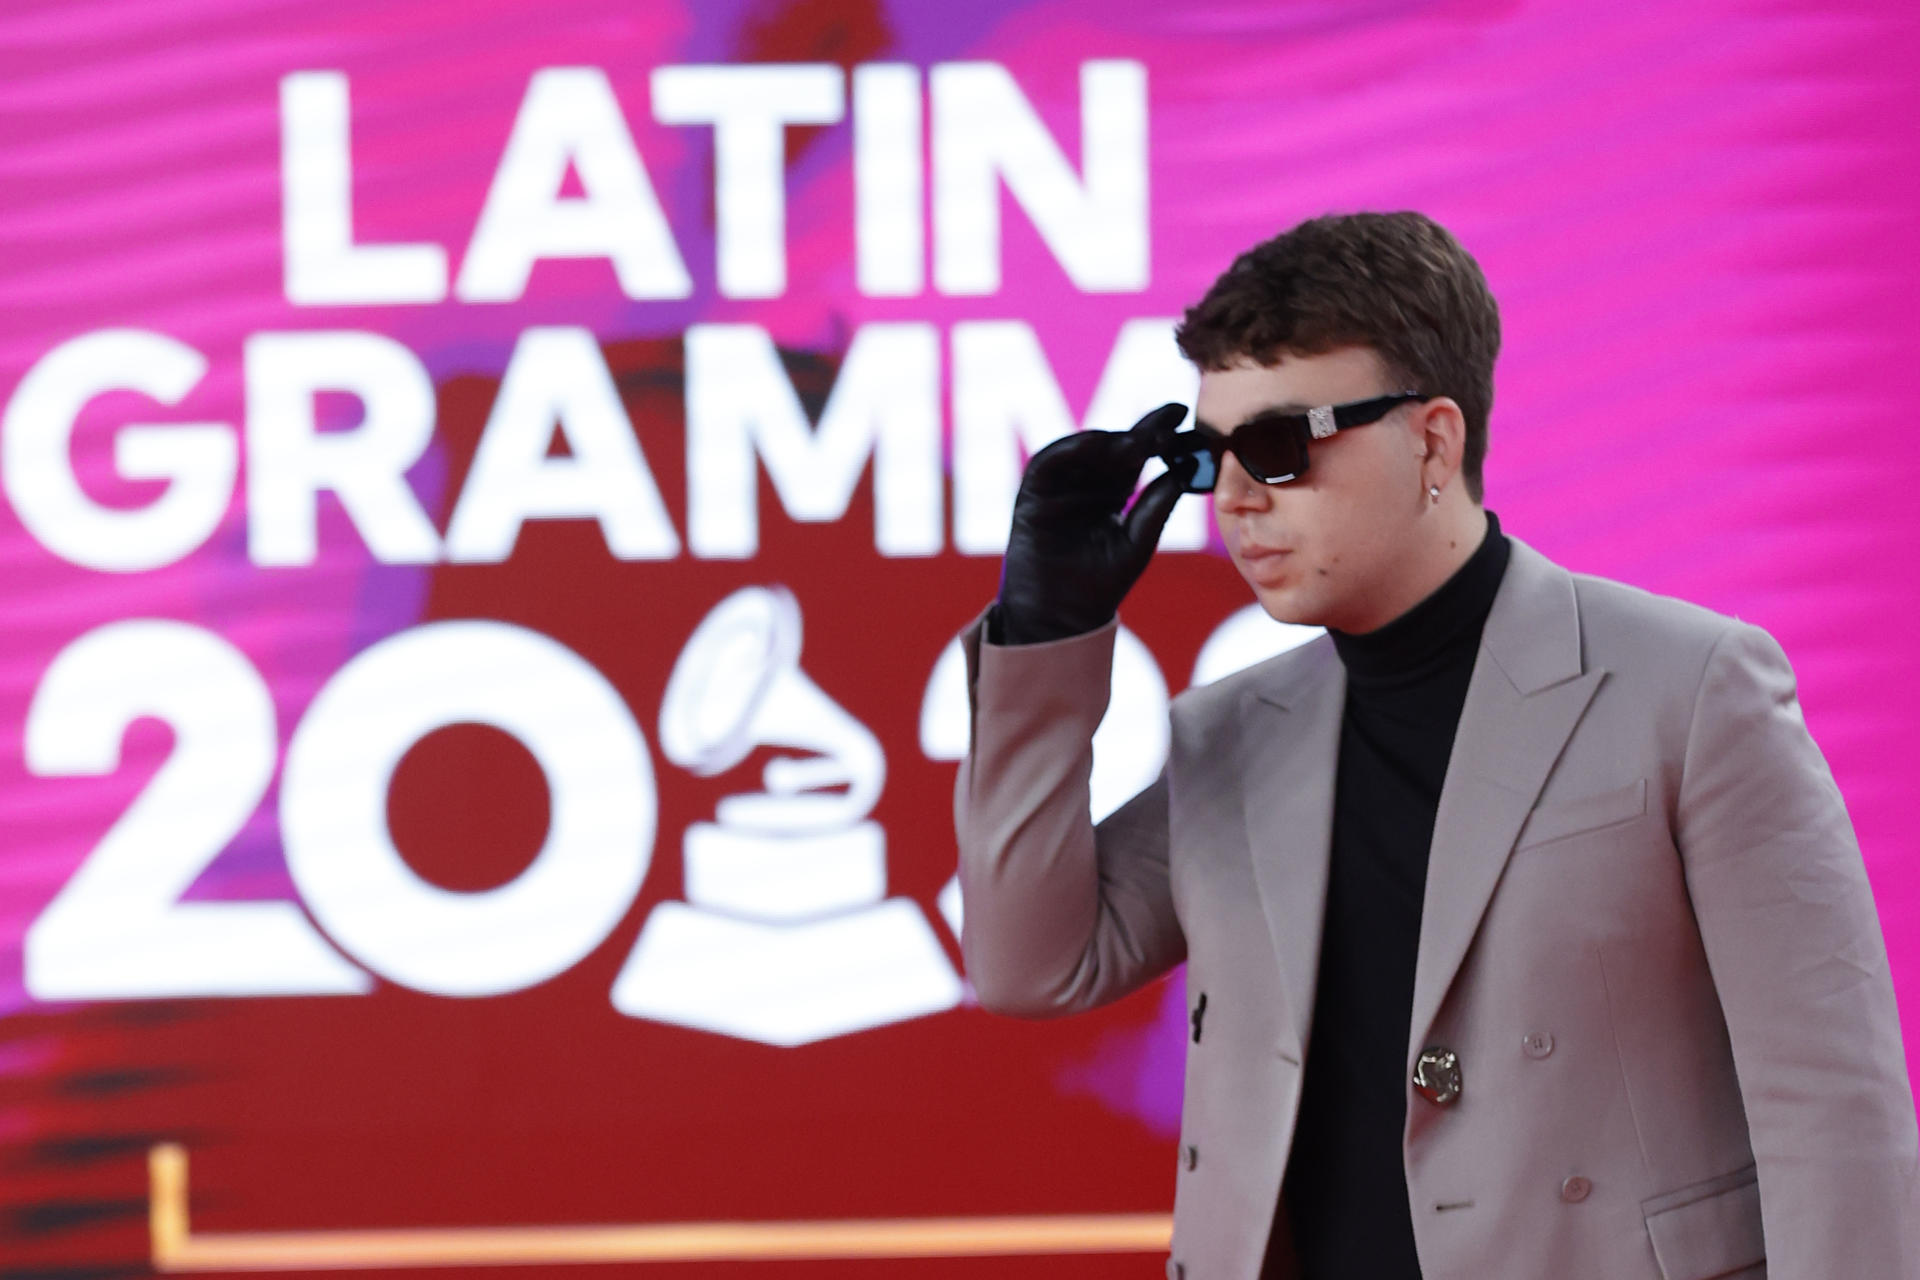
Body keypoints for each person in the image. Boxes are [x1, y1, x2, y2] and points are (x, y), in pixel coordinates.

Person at [951, 210, 1918, 1280]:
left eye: (1279, 447)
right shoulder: (1229, 733)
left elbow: (1832, 1105)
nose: (1232, 497)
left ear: (1433, 439)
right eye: (1212, 455)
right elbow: (1030, 962)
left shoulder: (1690, 687)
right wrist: (1047, 637)